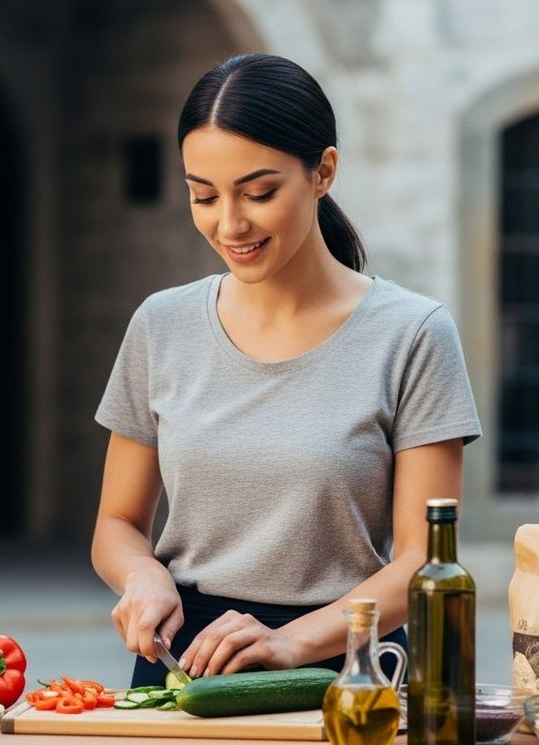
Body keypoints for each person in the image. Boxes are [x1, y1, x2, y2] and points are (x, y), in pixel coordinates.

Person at [91, 53, 481, 688]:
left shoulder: (412, 334)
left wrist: (288, 644)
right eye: (203, 196)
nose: (230, 223)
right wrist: (142, 577)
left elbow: (423, 564)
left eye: (260, 192)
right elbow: (117, 524)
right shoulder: (161, 325)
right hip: (185, 669)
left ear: (322, 171)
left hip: (349, 668)